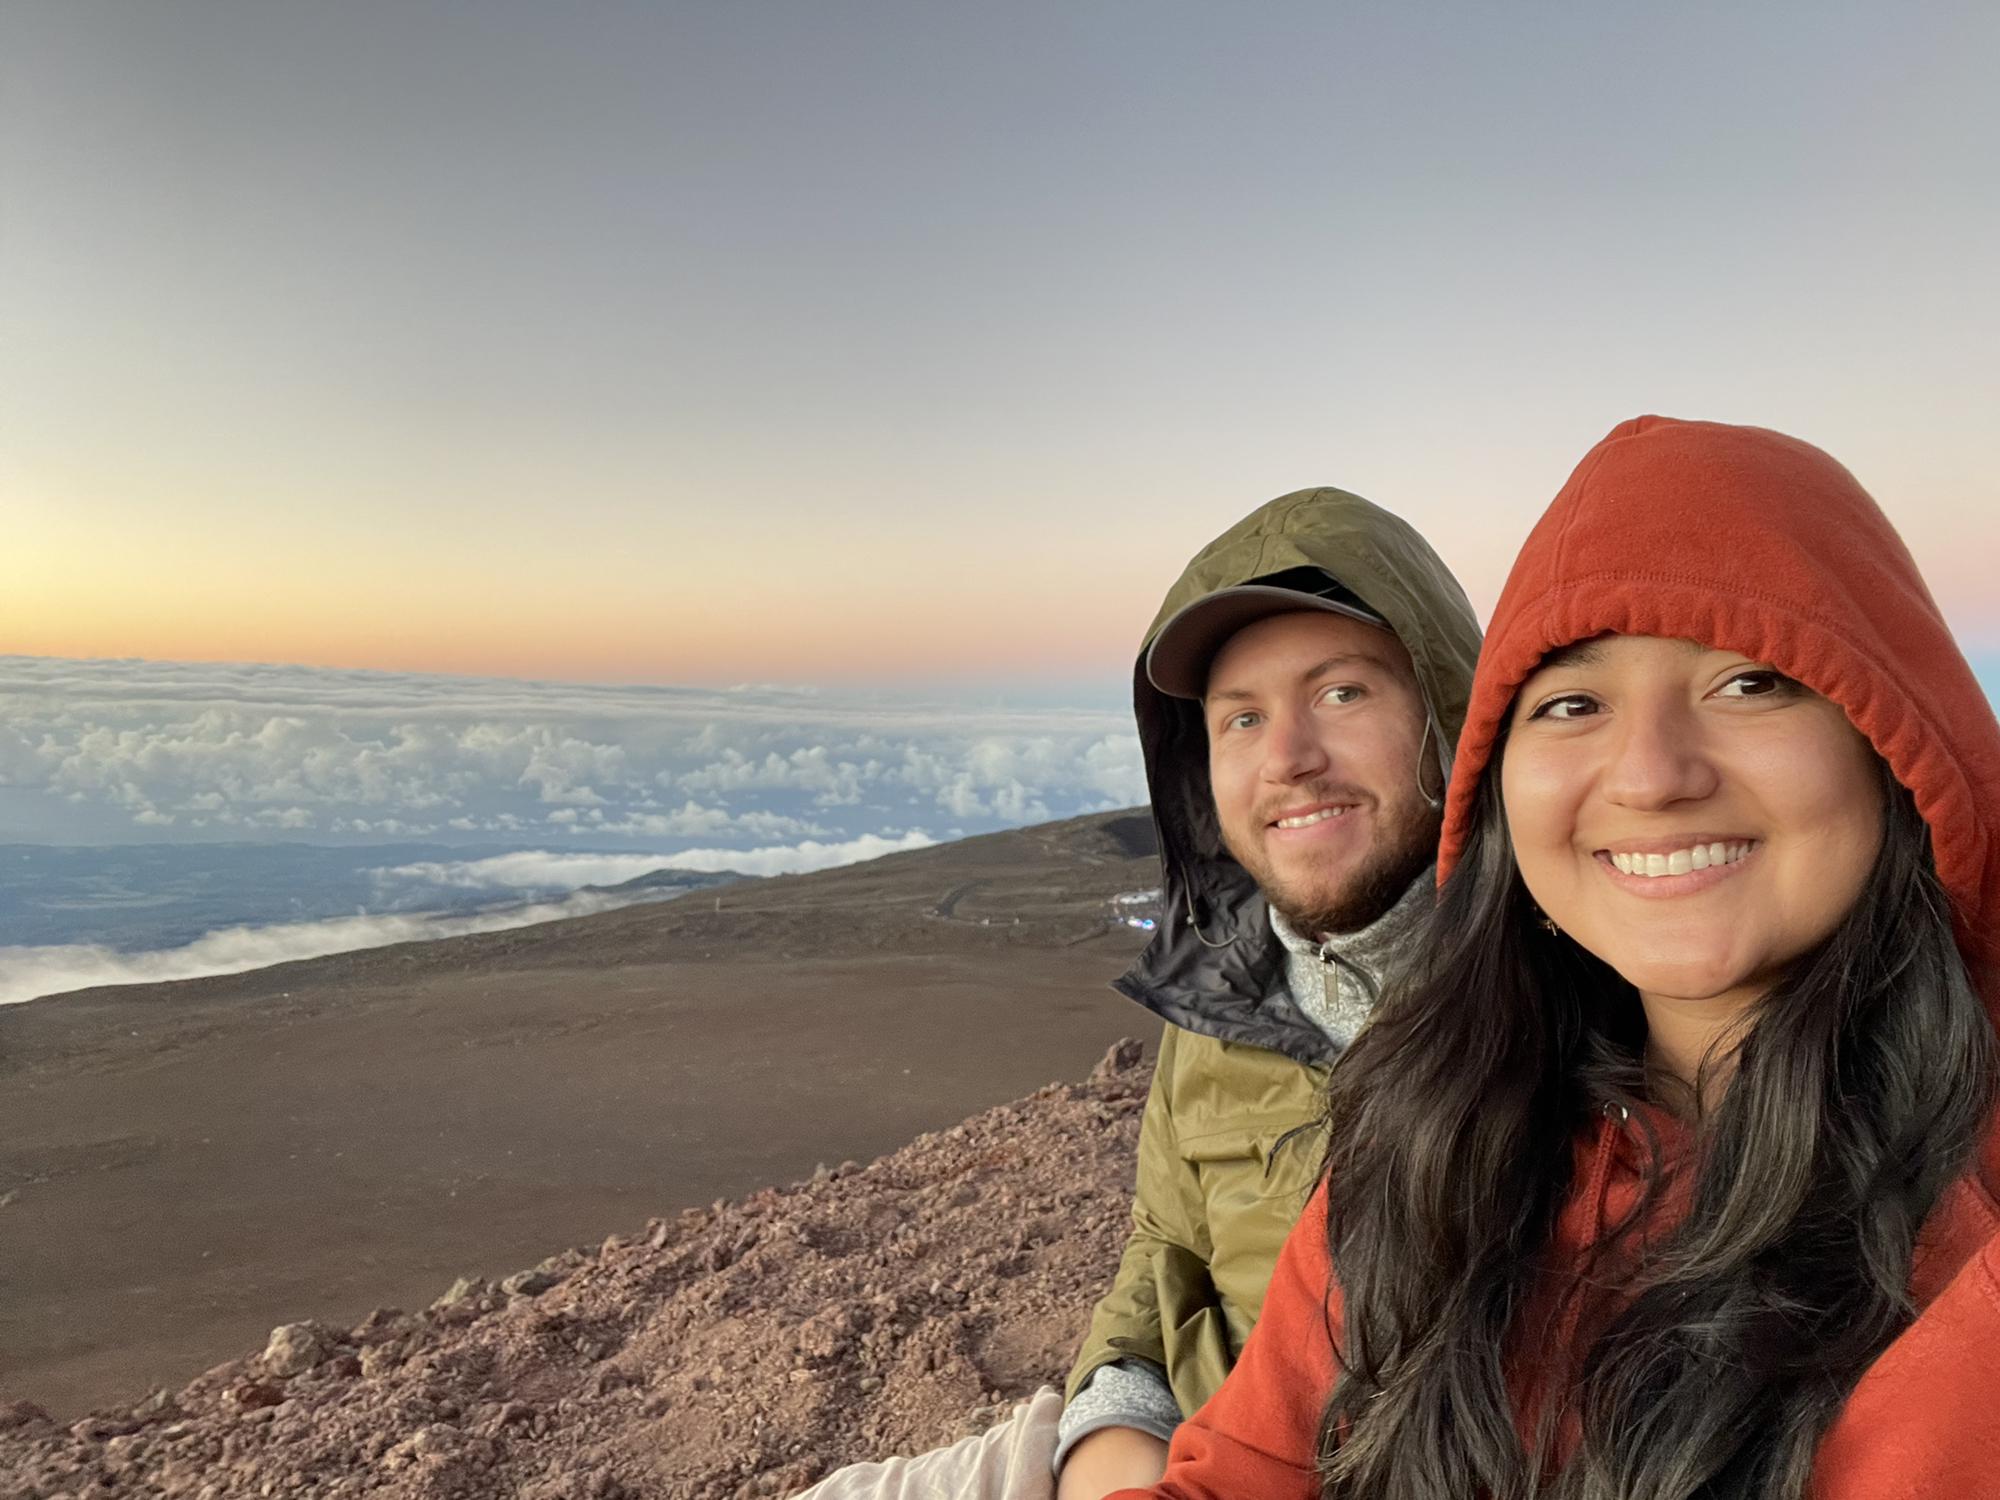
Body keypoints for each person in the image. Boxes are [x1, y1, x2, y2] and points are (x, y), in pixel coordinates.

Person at [1103, 416, 2000, 1500]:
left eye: (1749, 681)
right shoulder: (1427, 1102)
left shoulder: (1958, 1258)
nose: (1650, 774)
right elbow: (1202, 1342)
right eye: (1572, 702)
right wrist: (1110, 1411)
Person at [791, 487, 1482, 1500]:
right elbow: (1164, 1243)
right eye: (1239, 718)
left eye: (1341, 693)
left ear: (1448, 708)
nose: (1285, 757)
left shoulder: (1565, 989)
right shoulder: (1229, 985)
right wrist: (1113, 1430)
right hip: (1171, 1443)